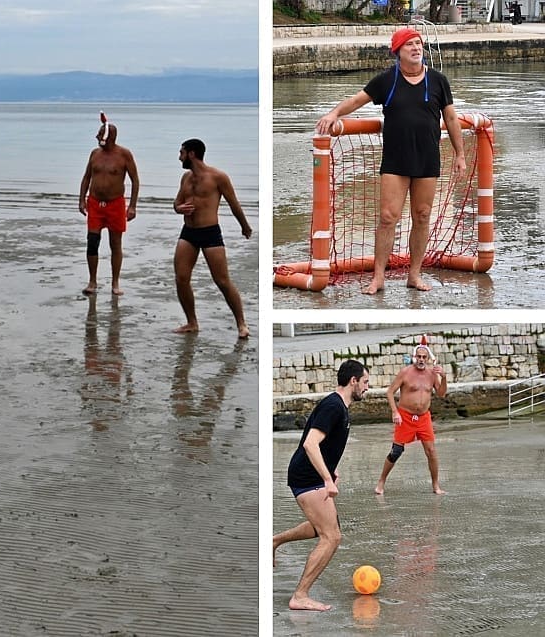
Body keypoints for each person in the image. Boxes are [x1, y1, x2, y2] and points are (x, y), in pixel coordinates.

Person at [315, 27, 466, 294]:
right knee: (387, 217)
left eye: (418, 43)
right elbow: (357, 100)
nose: (416, 48)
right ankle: (378, 277)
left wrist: (460, 154)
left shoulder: (438, 80)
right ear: (397, 51)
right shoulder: (387, 80)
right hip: (395, 159)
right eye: (409, 44)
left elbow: (451, 119)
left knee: (422, 215)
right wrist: (333, 114)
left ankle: (414, 275)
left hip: (427, 158)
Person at [273, 360, 370, 612]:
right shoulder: (333, 406)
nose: (367, 388)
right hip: (307, 478)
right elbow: (310, 443)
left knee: (323, 527)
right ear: (353, 381)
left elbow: (322, 444)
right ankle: (300, 596)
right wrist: (327, 479)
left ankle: (274, 541)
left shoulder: (339, 406)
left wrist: (330, 469)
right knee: (332, 536)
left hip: (310, 475)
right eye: (365, 382)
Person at [172, 138, 253, 339]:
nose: (179, 157)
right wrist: (178, 208)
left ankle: (241, 323)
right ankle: (192, 322)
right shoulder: (186, 178)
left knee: (222, 281)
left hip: (210, 233)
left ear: (192, 154)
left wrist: (244, 226)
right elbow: (177, 203)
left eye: (182, 153)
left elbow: (234, 204)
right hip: (188, 233)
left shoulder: (218, 177)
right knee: (181, 278)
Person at [375, 339, 448, 495]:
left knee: (431, 451)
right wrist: (395, 412)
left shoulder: (432, 374)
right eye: (418, 356)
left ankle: (436, 485)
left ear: (428, 359)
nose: (421, 359)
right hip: (405, 416)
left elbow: (441, 394)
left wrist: (444, 377)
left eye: (424, 357)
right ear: (414, 357)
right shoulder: (405, 372)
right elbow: (390, 392)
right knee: (396, 451)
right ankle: (381, 482)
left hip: (423, 417)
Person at [78, 112, 139, 296]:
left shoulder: (124, 155)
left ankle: (115, 282)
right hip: (95, 203)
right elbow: (87, 177)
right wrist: (81, 199)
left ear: (109, 137)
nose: (96, 138)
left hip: (115, 204)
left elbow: (135, 180)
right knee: (92, 242)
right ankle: (92, 281)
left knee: (115, 243)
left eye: (99, 135)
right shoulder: (95, 154)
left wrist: (132, 206)